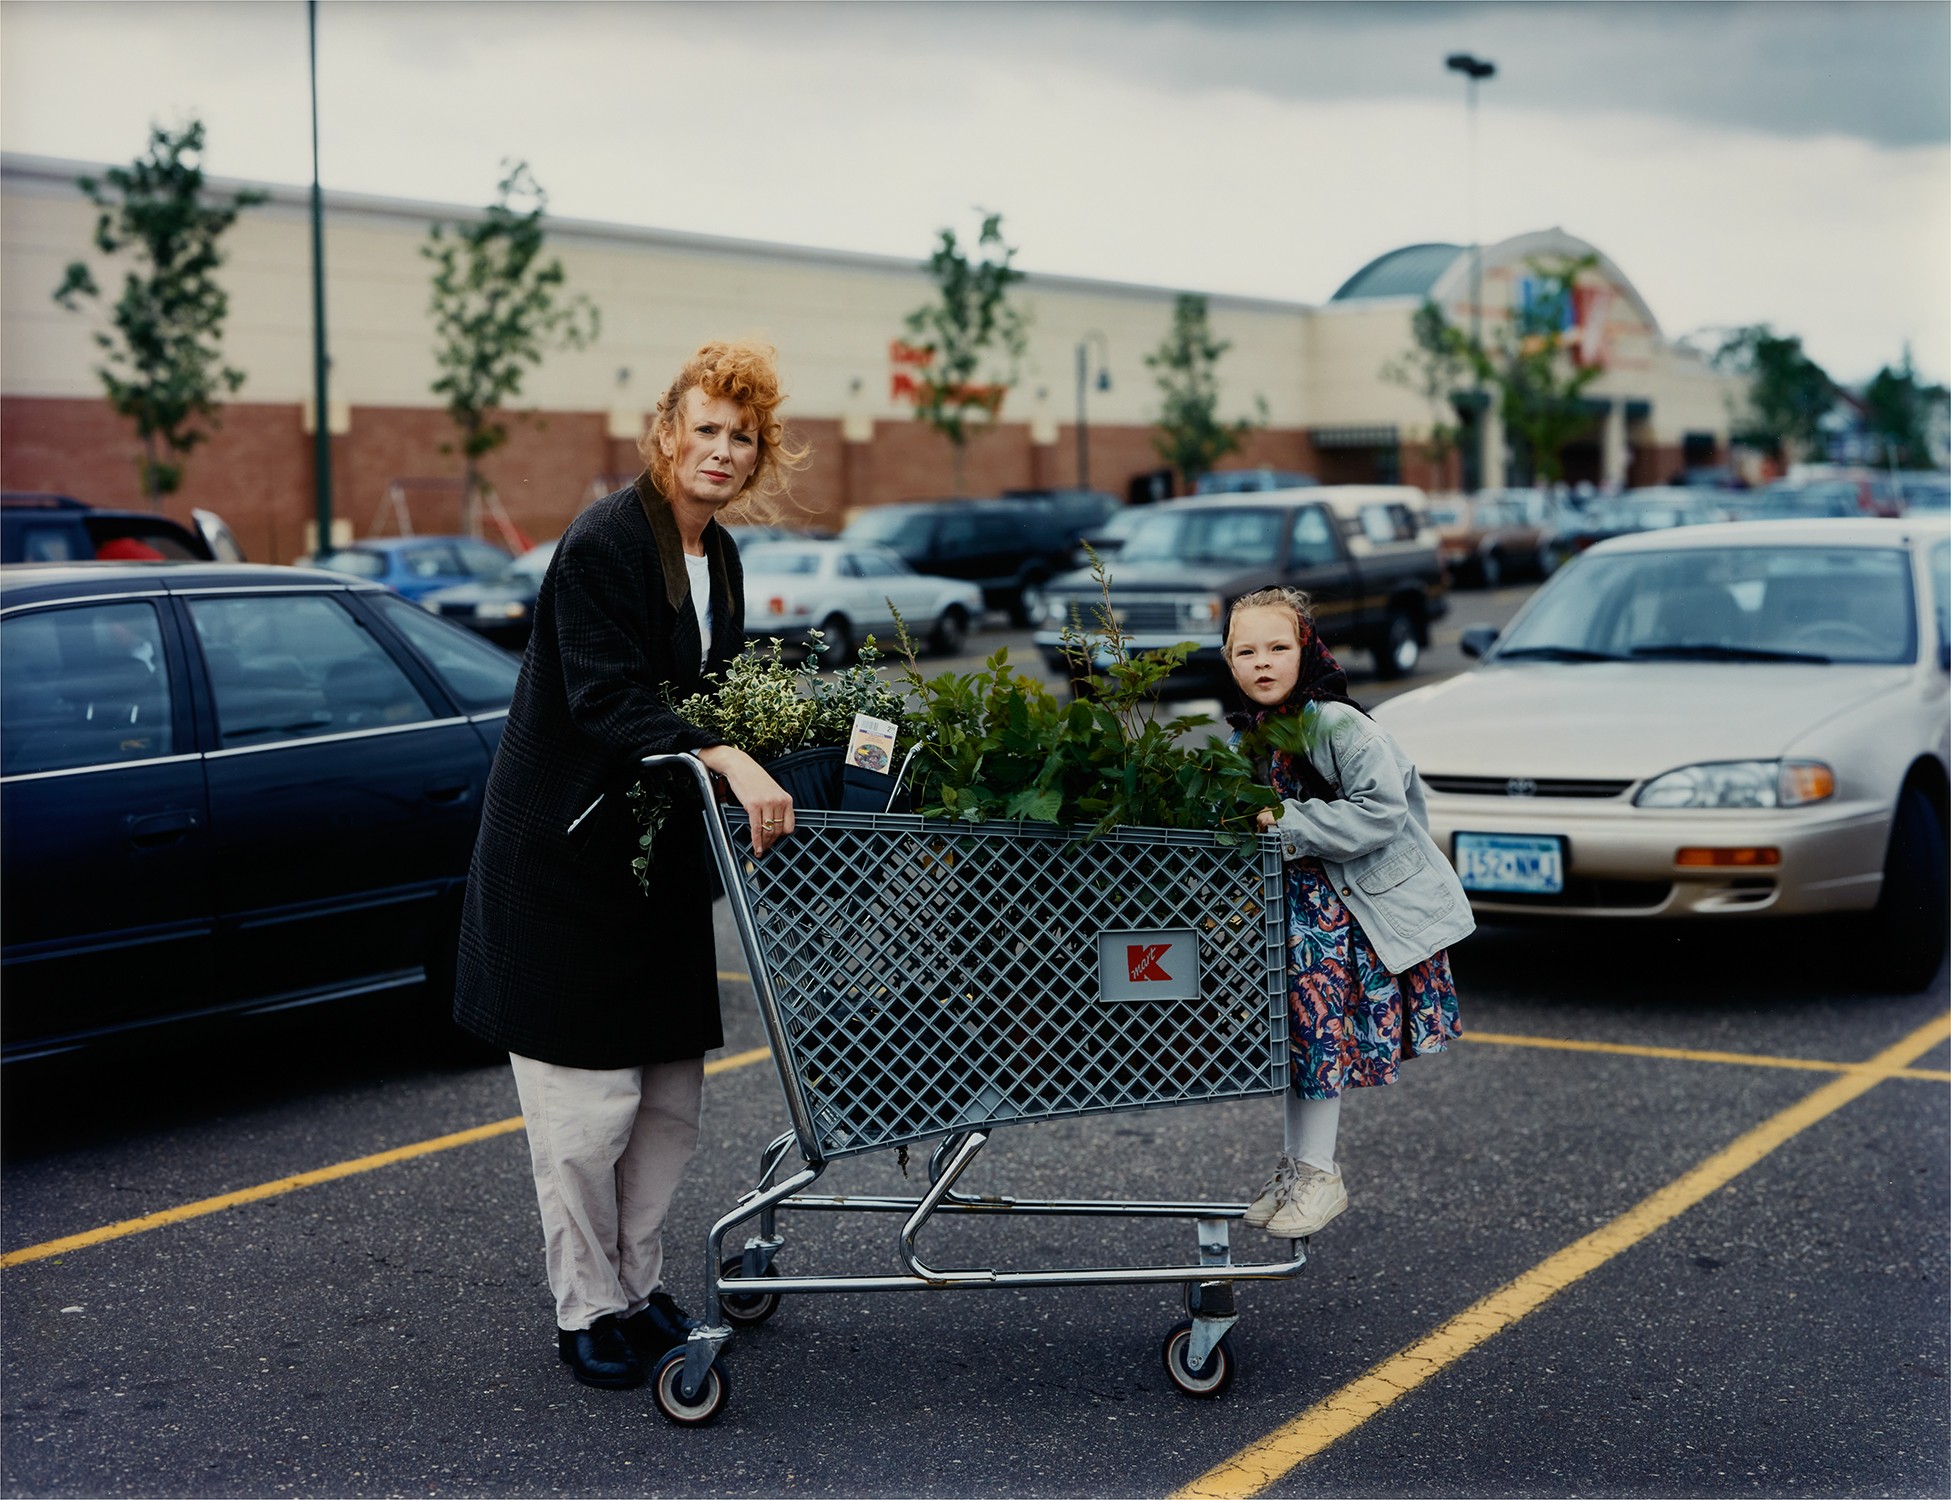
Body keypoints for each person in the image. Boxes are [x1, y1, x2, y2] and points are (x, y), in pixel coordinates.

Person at [453, 340, 805, 1391]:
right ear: (666, 434)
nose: (723, 451)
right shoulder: (606, 540)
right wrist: (726, 756)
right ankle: (586, 1308)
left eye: (742, 437)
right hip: (566, 864)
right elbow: (604, 696)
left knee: (666, 1106)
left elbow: (716, 691)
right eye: (706, 430)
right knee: (585, 1113)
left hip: (655, 868)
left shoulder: (718, 555)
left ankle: (636, 1287)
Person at [1222, 586, 1474, 1239]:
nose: (1262, 662)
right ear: (1228, 661)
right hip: (1290, 912)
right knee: (1294, 1041)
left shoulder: (1336, 723)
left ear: (1305, 649)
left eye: (1277, 647)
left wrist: (1288, 819)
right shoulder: (1248, 733)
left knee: (1317, 1039)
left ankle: (1319, 1173)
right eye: (1245, 651)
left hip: (1345, 914)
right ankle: (1296, 1168)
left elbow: (1380, 812)